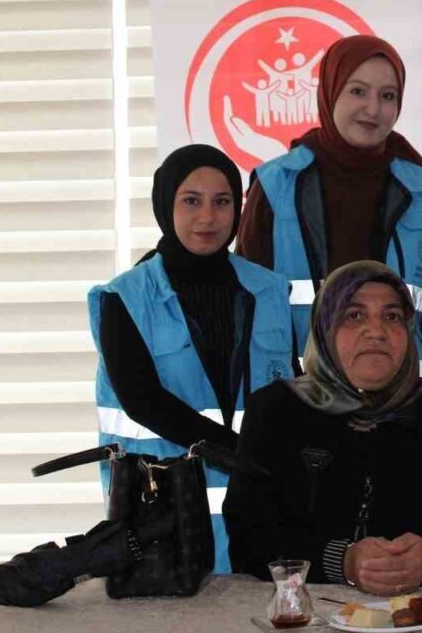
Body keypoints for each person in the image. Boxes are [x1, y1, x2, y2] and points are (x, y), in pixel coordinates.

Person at [224, 261, 422, 593]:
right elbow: (248, 539)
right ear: (323, 330)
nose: (376, 331)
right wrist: (342, 561)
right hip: (313, 613)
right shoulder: (276, 411)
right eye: (354, 316)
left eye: (392, 317)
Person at [89, 144, 295, 574]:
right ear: (166, 205)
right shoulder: (125, 298)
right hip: (161, 518)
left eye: (222, 202)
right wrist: (247, 456)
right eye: (191, 201)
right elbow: (142, 401)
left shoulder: (270, 290)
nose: (208, 217)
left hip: (258, 517)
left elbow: (290, 392)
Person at [236, 34, 422, 379]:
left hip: (402, 402)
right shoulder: (277, 186)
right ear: (330, 92)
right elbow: (246, 307)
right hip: (304, 401)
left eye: (388, 96)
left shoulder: (419, 190)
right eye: (358, 91)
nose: (373, 109)